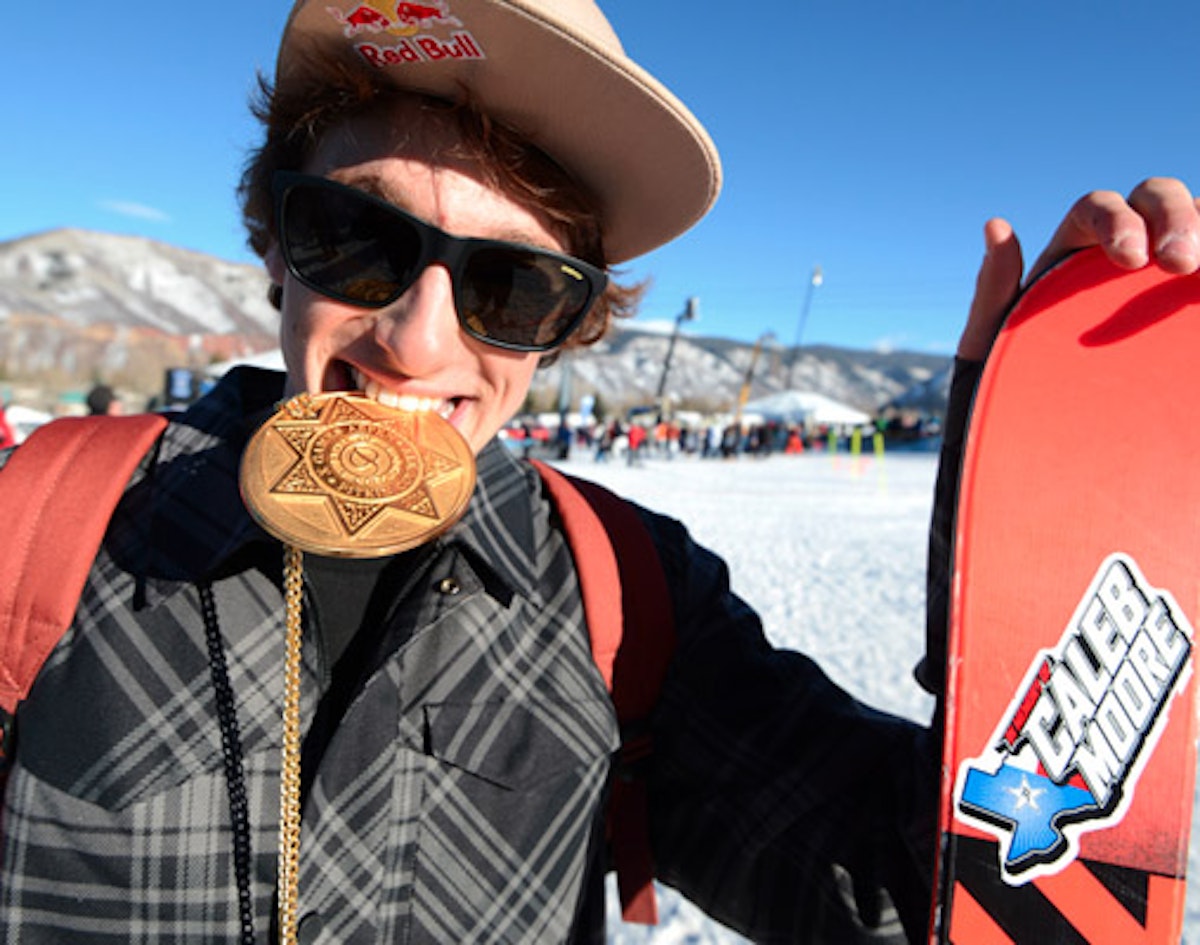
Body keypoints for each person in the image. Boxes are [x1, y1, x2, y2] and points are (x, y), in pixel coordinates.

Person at [2, 1, 1199, 942]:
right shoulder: (36, 531)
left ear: (569, 331)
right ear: (278, 252)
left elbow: (895, 897)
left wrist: (1023, 537)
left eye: (512, 288)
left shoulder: (624, 599)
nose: (418, 340)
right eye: (356, 240)